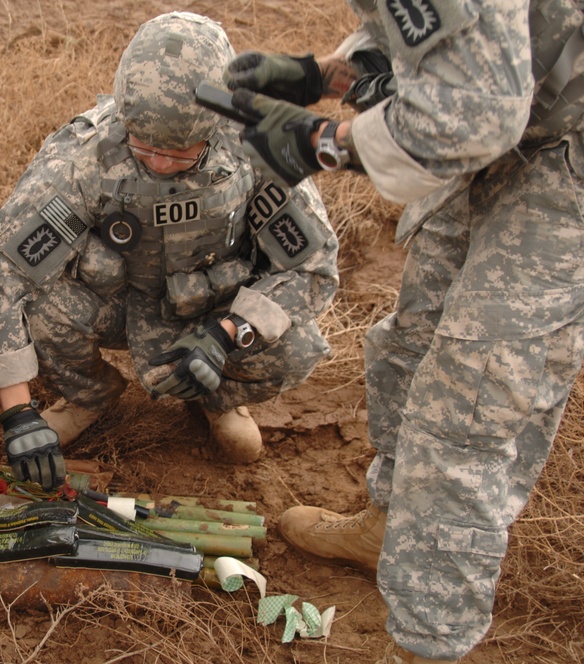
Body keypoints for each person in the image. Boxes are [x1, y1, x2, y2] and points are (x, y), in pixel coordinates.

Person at [221, 2, 584, 662]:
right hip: (516, 118)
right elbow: (446, 34)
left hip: (565, 152)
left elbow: (471, 112)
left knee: (468, 407)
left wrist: (322, 144)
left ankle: (427, 643)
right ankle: (387, 526)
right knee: (411, 343)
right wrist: (329, 74)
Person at [0, 11, 339, 491]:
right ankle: (88, 395)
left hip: (211, 310)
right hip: (118, 305)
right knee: (45, 306)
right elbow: (4, 276)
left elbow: (313, 270)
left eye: (184, 151)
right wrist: (18, 413)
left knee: (292, 344)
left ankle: (217, 399)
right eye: (145, 147)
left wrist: (227, 335)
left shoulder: (261, 148)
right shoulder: (84, 157)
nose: (163, 163)